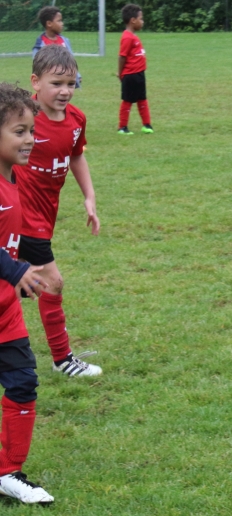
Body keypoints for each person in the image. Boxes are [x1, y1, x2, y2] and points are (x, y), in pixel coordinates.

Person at [14, 45, 102, 378]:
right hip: (23, 216)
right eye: (56, 83)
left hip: (44, 215)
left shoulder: (76, 119)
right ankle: (63, 359)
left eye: (71, 83)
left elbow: (76, 155)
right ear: (35, 82)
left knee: (17, 285)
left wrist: (89, 196)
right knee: (52, 282)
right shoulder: (22, 119)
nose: (65, 91)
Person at [0, 82, 54, 504]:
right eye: (19, 131)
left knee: (23, 382)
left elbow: (21, 233)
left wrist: (42, 263)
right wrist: (16, 269)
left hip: (6, 311)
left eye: (32, 130)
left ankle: (7, 471)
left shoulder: (15, 178)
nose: (30, 139)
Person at [117, 3, 151, 136]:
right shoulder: (127, 37)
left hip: (139, 74)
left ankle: (147, 125)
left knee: (142, 99)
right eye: (141, 19)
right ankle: (122, 127)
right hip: (130, 75)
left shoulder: (133, 36)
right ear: (133, 20)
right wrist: (120, 73)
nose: (142, 22)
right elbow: (122, 57)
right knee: (128, 101)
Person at [31, 6, 81, 88]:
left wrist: (77, 75)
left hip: (65, 79)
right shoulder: (40, 45)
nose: (62, 23)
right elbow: (37, 65)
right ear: (49, 24)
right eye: (59, 21)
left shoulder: (65, 41)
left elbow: (71, 60)